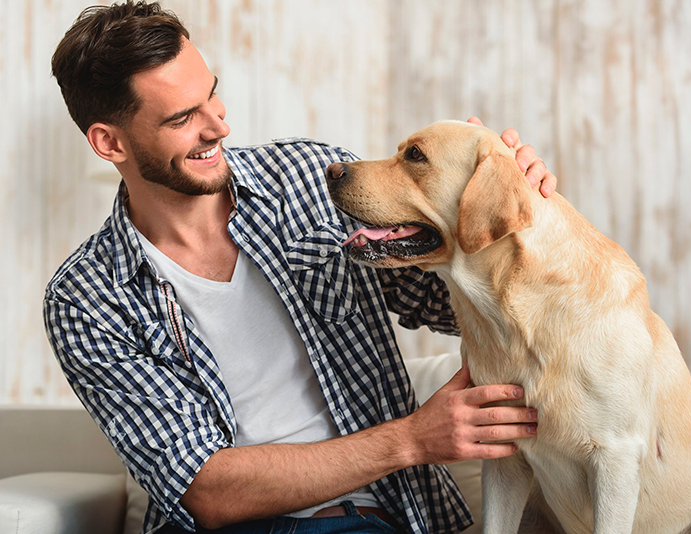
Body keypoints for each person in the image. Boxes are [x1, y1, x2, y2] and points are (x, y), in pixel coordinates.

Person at [44, 2, 557, 534]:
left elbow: (452, 307)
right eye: (182, 117)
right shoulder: (84, 298)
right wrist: (412, 439)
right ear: (110, 142)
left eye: (211, 94)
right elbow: (204, 489)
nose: (219, 125)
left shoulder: (312, 180)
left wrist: (511, 208)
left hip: (366, 519)